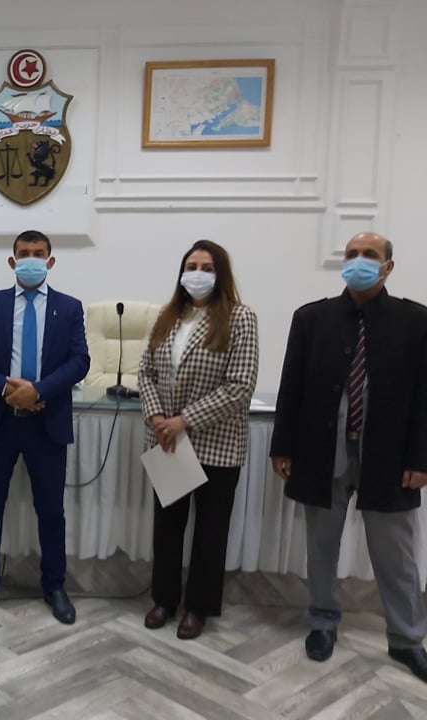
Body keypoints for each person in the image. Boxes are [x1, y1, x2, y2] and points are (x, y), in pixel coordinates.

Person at [270, 231, 427, 681]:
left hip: (389, 460)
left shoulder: (416, 321)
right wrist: (282, 446)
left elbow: (424, 396)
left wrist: (421, 457)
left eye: (369, 255)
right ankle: (322, 622)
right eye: (352, 254)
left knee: (396, 555)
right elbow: (291, 387)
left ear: (388, 267)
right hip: (321, 454)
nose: (359, 260)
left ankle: (406, 639)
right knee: (321, 547)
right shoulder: (311, 318)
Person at [0, 230, 89, 625]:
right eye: (24, 253)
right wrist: (6, 389)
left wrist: (38, 391)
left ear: (50, 261)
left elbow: (79, 361)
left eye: (38, 253)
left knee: (50, 511)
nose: (31, 259)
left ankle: (54, 585)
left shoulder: (69, 308)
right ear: (12, 261)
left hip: (46, 423)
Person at [138, 239, 259, 640]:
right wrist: (158, 416)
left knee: (210, 531)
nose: (198, 273)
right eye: (191, 266)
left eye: (207, 267)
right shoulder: (167, 316)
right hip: (168, 441)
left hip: (216, 443)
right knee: (167, 527)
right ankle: (164, 600)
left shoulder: (240, 318)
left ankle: (199, 607)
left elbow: (239, 385)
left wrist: (184, 420)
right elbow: (146, 373)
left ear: (220, 274)